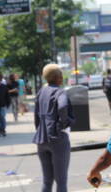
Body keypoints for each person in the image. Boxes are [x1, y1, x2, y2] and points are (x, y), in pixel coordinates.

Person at [33, 64, 74, 192]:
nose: (62, 77)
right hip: (58, 139)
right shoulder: (60, 91)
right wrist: (63, 123)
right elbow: (62, 107)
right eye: (61, 75)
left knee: (47, 181)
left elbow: (36, 116)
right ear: (58, 77)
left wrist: (40, 130)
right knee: (61, 182)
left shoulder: (41, 92)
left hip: (41, 140)